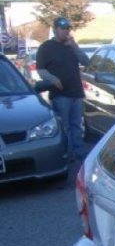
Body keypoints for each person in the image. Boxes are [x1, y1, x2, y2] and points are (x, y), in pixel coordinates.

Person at [36, 17, 90, 162]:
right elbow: (40, 69)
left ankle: (78, 152)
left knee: (76, 125)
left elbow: (86, 62)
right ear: (55, 29)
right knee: (64, 126)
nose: (66, 31)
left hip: (76, 92)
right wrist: (53, 79)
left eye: (68, 28)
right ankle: (66, 153)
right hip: (60, 94)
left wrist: (75, 47)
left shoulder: (70, 46)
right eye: (63, 28)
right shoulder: (46, 47)